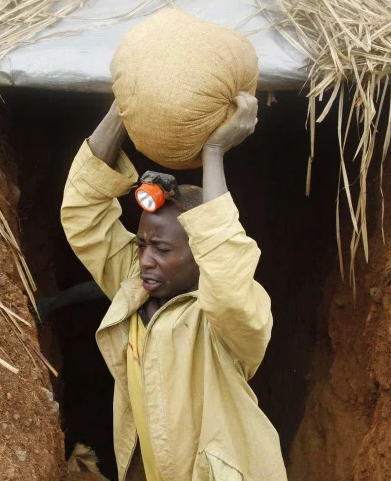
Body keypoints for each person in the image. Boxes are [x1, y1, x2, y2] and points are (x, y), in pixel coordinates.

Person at [60, 92, 287, 480]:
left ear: (200, 253)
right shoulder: (136, 286)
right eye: (142, 244)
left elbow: (227, 277)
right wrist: (123, 107)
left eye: (163, 249)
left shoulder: (228, 323)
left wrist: (214, 152)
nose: (146, 260)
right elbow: (85, 213)